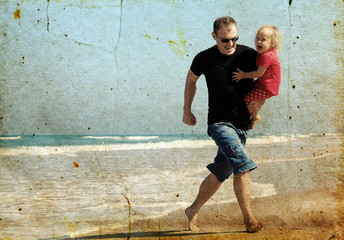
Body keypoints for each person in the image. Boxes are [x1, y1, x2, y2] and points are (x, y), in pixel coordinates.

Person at [182, 16, 263, 233]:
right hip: (219, 123)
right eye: (225, 40)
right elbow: (191, 81)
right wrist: (187, 110)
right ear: (214, 37)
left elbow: (270, 74)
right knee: (242, 166)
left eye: (234, 39)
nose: (230, 44)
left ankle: (192, 209)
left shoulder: (249, 55)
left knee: (221, 171)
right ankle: (250, 221)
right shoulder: (204, 58)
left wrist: (257, 111)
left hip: (242, 124)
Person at [233, 25, 282, 129]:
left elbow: (258, 73)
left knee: (247, 99)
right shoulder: (267, 53)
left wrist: (243, 75)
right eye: (257, 38)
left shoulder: (266, 56)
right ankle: (255, 110)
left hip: (267, 86)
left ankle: (255, 116)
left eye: (263, 40)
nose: (259, 42)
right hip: (265, 83)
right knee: (252, 97)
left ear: (272, 43)